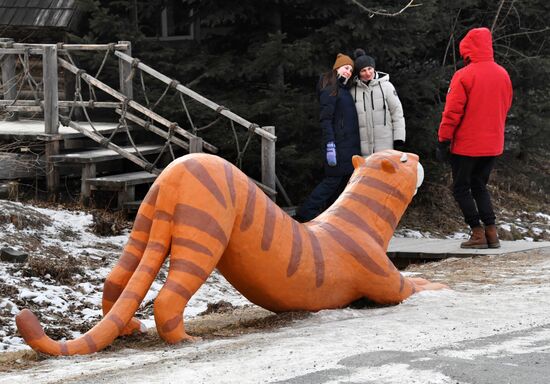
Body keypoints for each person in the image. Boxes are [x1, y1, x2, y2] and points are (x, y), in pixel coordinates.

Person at [436, 27, 513, 249]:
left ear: (468, 49)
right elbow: (506, 105)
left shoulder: (464, 75)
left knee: (461, 188)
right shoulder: (503, 73)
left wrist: (443, 139)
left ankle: (477, 233)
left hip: (468, 145)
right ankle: (492, 232)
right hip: (493, 143)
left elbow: (452, 112)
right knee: (480, 185)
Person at [294, 53, 361, 222]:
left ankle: (333, 217)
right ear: (337, 67)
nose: (348, 72)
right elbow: (326, 119)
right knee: (332, 180)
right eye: (346, 68)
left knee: (342, 183)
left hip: (349, 145)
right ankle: (305, 212)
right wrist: (330, 144)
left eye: (351, 70)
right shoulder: (330, 88)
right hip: (338, 144)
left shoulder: (344, 90)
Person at [351, 48, 406, 156]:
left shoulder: (386, 86)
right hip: (362, 147)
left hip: (385, 145)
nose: (368, 73)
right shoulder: (353, 90)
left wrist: (399, 137)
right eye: (363, 70)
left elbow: (397, 112)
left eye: (369, 68)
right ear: (359, 72)